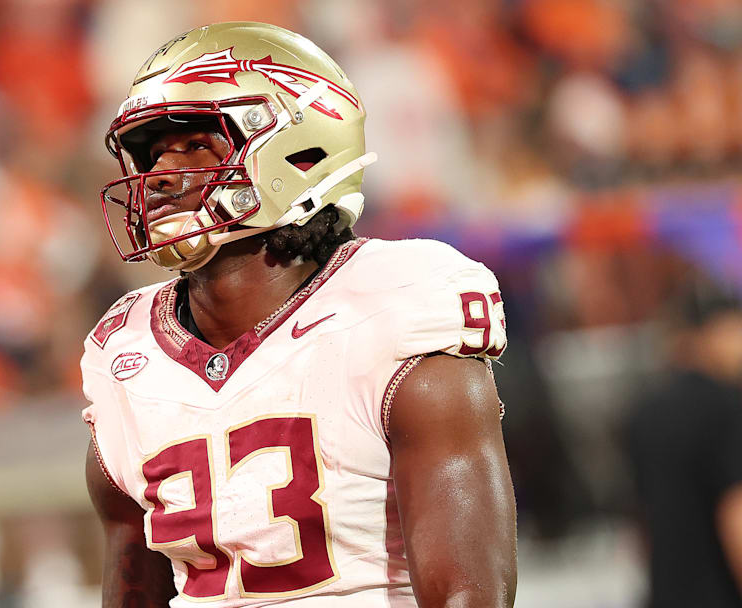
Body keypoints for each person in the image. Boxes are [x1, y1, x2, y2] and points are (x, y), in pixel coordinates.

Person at [82, 22, 516, 607]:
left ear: (299, 146)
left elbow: (470, 595)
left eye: (196, 144)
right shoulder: (125, 354)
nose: (159, 174)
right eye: (153, 152)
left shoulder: (393, 306)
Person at [627, 280, 742, 608]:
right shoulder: (728, 406)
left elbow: (642, 521)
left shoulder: (645, 413)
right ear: (712, 333)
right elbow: (736, 513)